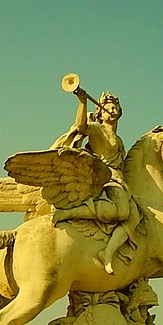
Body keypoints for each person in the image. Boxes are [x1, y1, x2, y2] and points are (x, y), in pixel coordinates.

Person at [49, 89, 138, 274]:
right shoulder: (98, 129)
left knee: (135, 216)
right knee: (122, 211)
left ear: (120, 112)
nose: (112, 110)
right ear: (101, 113)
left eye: (115, 107)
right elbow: (81, 127)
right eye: (108, 108)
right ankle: (68, 213)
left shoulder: (119, 139)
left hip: (121, 182)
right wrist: (82, 102)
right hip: (108, 179)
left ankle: (108, 252)